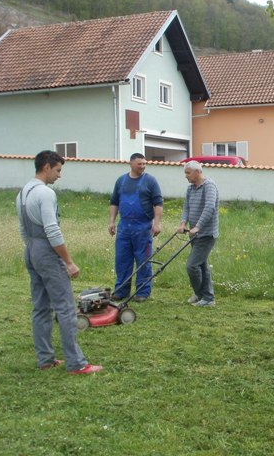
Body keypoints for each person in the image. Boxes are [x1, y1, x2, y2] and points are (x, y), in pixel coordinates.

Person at [16, 150, 102, 374]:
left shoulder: (23, 192)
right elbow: (52, 230)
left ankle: (45, 359)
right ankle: (76, 363)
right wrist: (68, 262)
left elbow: (23, 230)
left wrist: (33, 249)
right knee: (65, 307)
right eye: (58, 170)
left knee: (41, 307)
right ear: (46, 167)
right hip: (45, 250)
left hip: (31, 249)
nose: (59, 175)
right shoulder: (45, 193)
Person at [108, 153, 163, 302]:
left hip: (143, 227)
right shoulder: (121, 181)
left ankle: (142, 292)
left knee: (143, 260)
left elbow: (158, 203)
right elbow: (114, 202)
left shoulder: (150, 181)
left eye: (144, 163)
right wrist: (111, 221)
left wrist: (157, 223)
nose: (143, 166)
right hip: (124, 226)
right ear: (131, 164)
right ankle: (121, 291)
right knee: (122, 260)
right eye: (140, 164)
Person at [177, 161, 219, 307]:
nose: (186, 176)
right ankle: (206, 297)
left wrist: (198, 227)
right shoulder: (190, 189)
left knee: (192, 266)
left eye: (188, 173)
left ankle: (203, 295)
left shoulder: (209, 186)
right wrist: (183, 223)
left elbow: (209, 208)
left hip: (207, 234)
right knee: (202, 266)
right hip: (194, 234)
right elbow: (186, 207)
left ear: (197, 172)